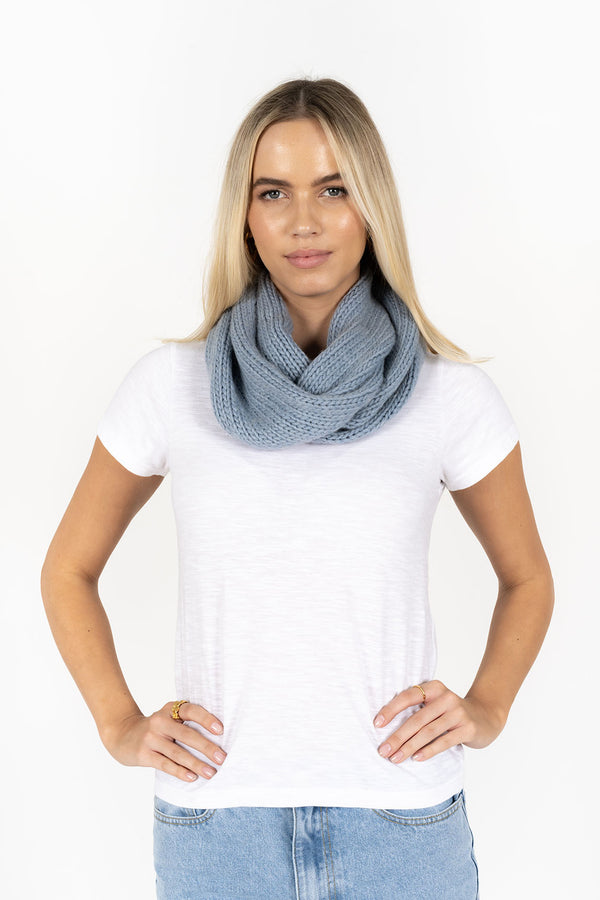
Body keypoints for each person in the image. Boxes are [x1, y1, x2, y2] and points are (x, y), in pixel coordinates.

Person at [41, 77, 554, 900]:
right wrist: (119, 724)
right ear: (243, 215)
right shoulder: (171, 386)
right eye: (272, 191)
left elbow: (527, 576)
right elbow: (67, 569)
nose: (303, 221)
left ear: (371, 207)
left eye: (334, 189)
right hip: (218, 831)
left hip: (402, 826)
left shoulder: (448, 394)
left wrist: (488, 706)